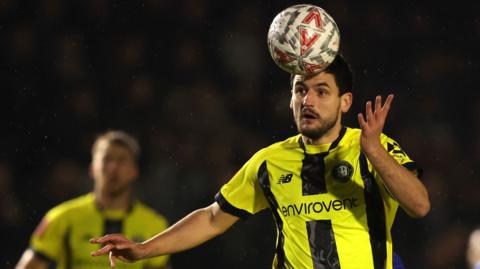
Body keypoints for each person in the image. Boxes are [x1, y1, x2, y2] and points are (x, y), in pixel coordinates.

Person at [90, 55, 430, 269]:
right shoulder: (270, 162)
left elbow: (419, 205)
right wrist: (143, 249)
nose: (307, 100)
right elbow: (212, 218)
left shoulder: (373, 146)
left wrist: (374, 153)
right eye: (299, 90)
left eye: (321, 91)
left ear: (345, 102)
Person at [16, 130, 171, 269]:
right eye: (107, 159)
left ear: (134, 171)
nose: (113, 167)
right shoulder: (62, 217)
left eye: (122, 160)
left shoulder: (155, 224)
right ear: (92, 168)